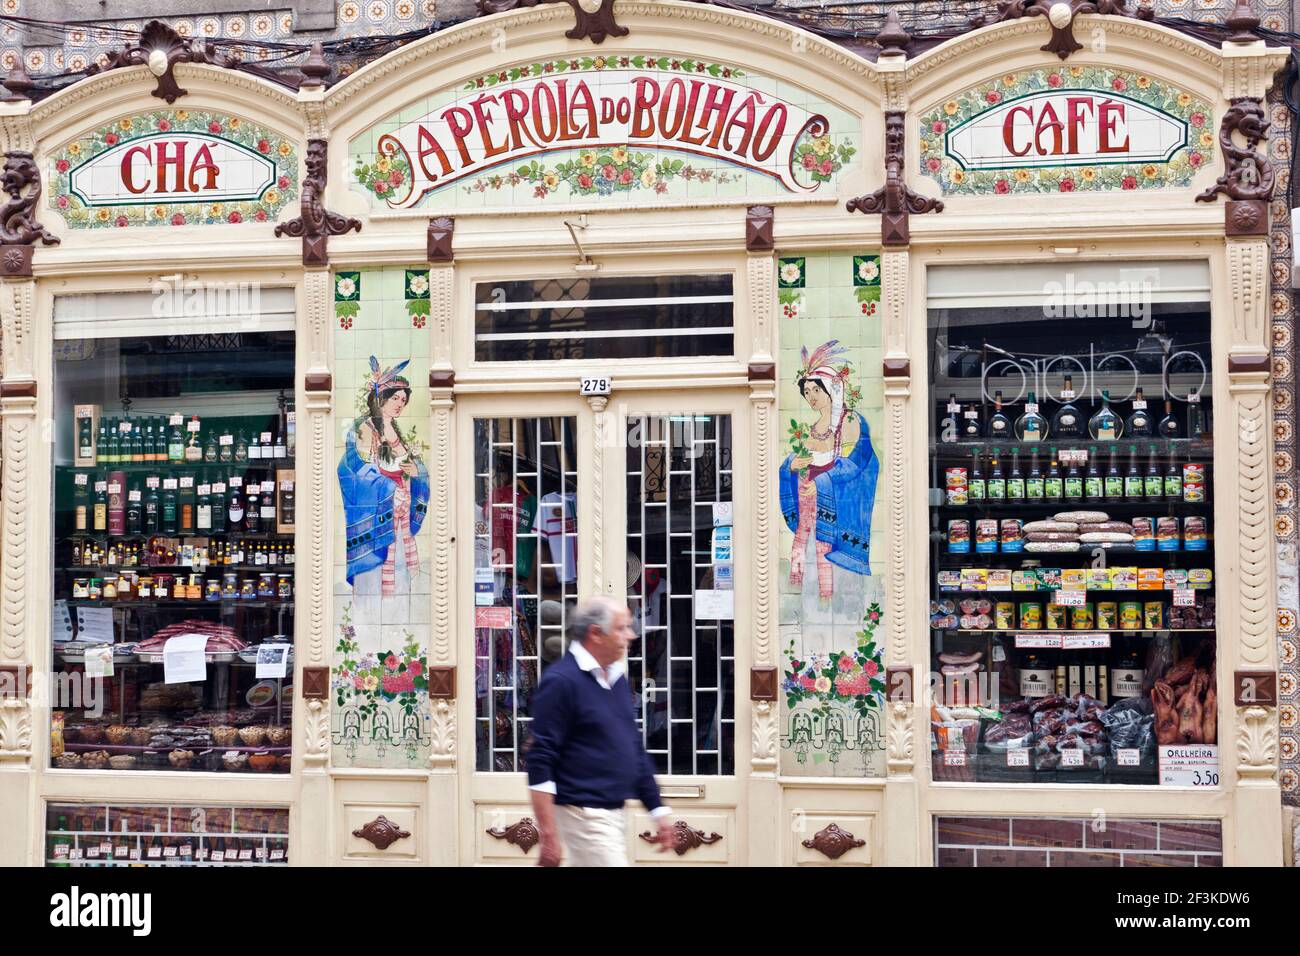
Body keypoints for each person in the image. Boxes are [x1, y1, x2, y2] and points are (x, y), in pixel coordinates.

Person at [526, 596, 675, 866]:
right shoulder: (561, 682)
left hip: (614, 814)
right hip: (584, 815)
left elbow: (633, 748)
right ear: (596, 633)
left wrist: (657, 808)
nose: (631, 635)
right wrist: (548, 834)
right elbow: (540, 758)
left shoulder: (616, 678)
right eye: (622, 628)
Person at [779, 340, 879, 598]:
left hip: (829, 498)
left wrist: (822, 481)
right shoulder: (812, 427)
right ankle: (795, 598)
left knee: (824, 550)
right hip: (806, 495)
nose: (810, 397)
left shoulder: (849, 421)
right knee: (799, 546)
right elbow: (798, 458)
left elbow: (856, 462)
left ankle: (826, 599)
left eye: (816, 391)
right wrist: (791, 465)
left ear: (831, 391)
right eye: (807, 392)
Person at [338, 356, 429, 599]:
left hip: (401, 507)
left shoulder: (395, 430)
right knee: (377, 576)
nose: (400, 404)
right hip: (381, 509)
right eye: (396, 398)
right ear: (382, 399)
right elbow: (356, 471)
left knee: (401, 569)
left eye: (404, 400)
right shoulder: (366, 429)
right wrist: (389, 485)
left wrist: (415, 472)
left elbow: (411, 464)